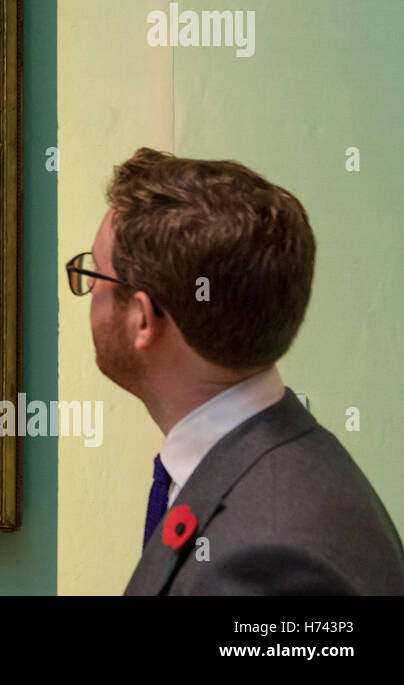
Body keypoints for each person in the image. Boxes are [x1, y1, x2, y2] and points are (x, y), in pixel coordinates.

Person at [68, 147, 404, 594]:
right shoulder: (274, 460)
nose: (89, 290)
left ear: (142, 320)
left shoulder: (266, 564)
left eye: (97, 275)